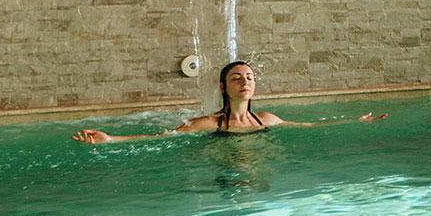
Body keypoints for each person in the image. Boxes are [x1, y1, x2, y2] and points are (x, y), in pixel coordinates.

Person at [73, 60, 385, 143]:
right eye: (237, 78)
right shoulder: (209, 123)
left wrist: (354, 122)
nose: (245, 82)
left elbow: (309, 126)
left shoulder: (266, 119)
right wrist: (110, 139)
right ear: (223, 86)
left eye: (249, 77)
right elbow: (160, 138)